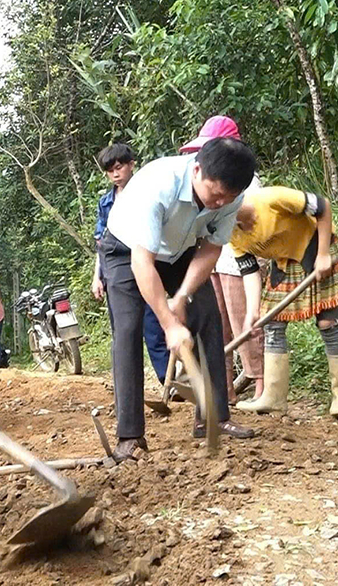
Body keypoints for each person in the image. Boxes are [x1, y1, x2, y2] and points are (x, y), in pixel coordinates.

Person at [100, 137, 258, 462]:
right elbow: (142, 263)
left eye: (227, 198)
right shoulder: (159, 185)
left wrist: (183, 296)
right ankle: (130, 437)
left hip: (181, 251)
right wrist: (170, 324)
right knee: (129, 331)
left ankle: (214, 417)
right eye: (214, 194)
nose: (219, 203)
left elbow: (212, 247)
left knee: (208, 317)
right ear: (197, 169)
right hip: (127, 250)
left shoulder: (229, 196)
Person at [229, 186, 338, 418]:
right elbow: (250, 271)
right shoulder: (230, 232)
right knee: (272, 322)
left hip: (317, 248)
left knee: (327, 324)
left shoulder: (272, 199)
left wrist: (323, 254)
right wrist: (252, 313)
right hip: (284, 261)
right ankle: (274, 397)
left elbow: (322, 206)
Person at [180, 117, 264, 404]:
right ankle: (224, 392)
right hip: (209, 259)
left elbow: (251, 218)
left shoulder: (246, 180)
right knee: (218, 328)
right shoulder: (200, 175)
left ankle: (262, 388)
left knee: (244, 322)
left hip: (236, 257)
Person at [91, 143, 170, 384]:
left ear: (131, 165)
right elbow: (101, 243)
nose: (115, 174)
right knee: (123, 330)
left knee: (154, 322)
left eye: (119, 167)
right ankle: (126, 385)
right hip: (116, 269)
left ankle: (168, 378)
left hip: (146, 262)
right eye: (110, 170)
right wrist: (98, 276)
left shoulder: (148, 192)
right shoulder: (106, 202)